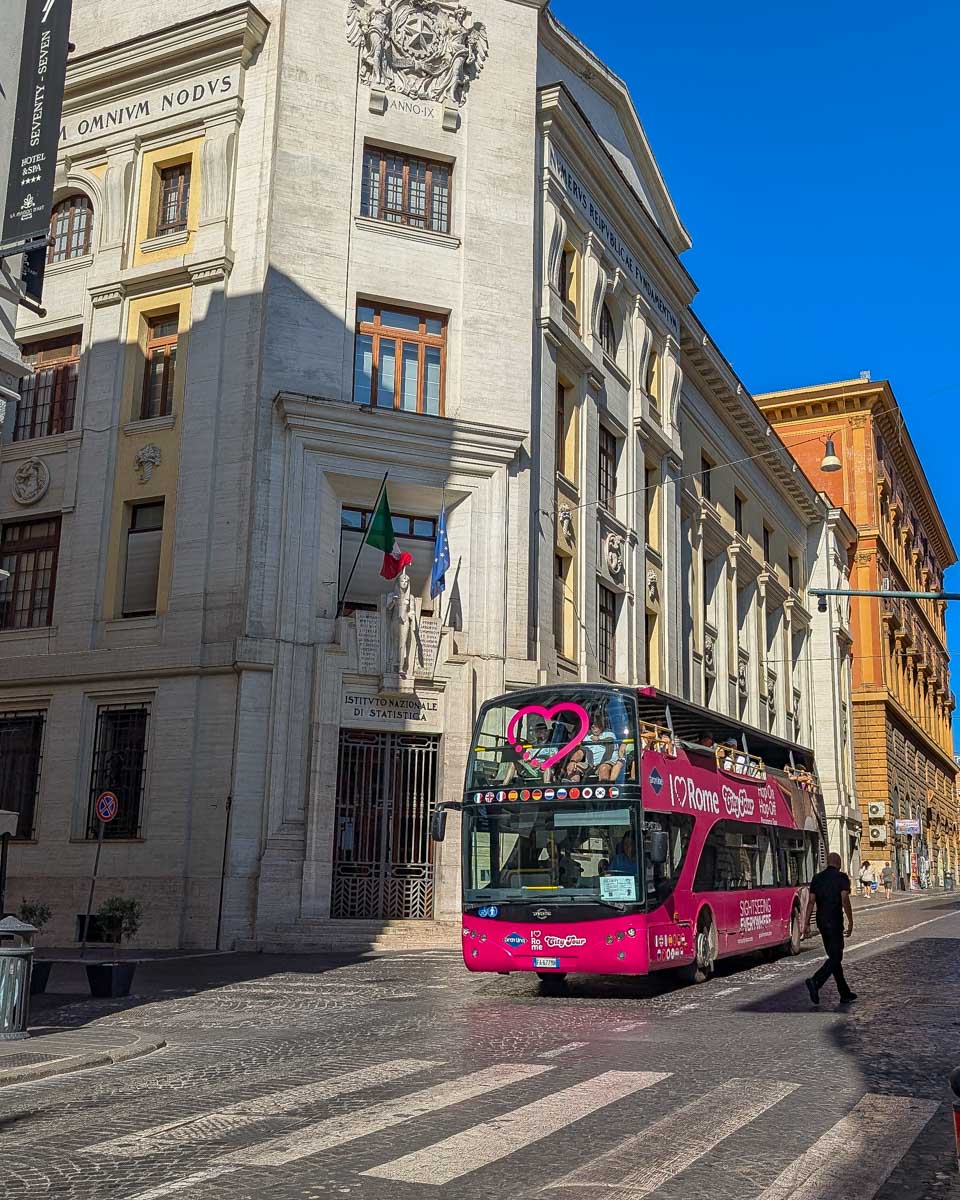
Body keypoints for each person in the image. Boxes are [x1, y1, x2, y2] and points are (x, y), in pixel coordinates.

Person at [803, 851, 856, 1005]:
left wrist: (806, 923)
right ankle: (816, 981)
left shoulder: (817, 878)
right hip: (835, 920)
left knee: (834, 957)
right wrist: (851, 921)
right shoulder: (842, 878)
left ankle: (844, 992)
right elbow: (845, 899)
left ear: (828, 862)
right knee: (836, 957)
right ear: (838, 863)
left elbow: (811, 901)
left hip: (821, 921)